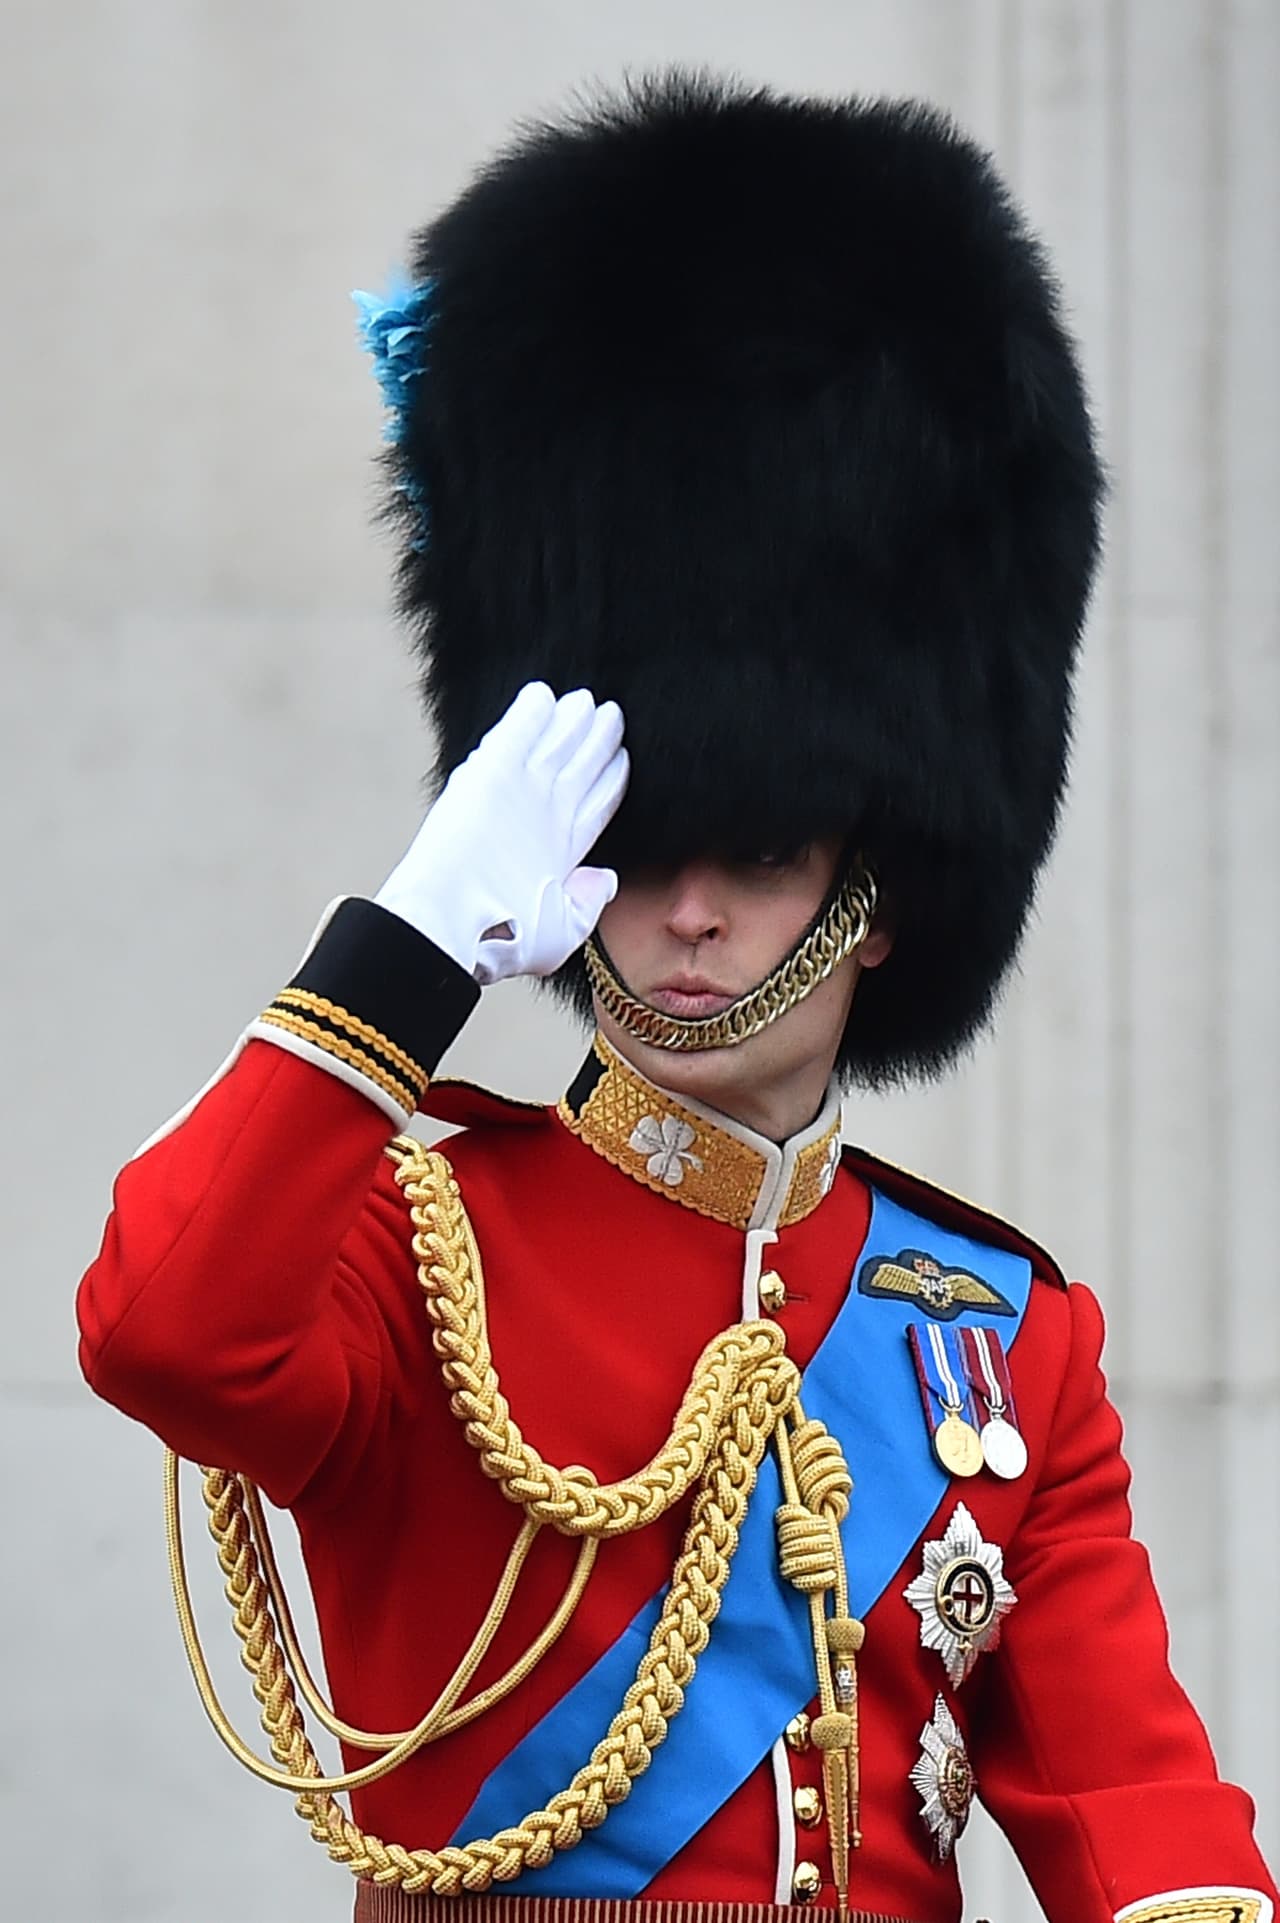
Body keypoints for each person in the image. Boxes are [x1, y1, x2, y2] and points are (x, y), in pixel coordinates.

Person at [77, 72, 1276, 1923]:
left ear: (877, 897)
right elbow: (162, 1330)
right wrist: (407, 945)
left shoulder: (1002, 1341)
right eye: (640, 850)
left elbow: (1135, 1803)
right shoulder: (415, 1245)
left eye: (762, 852)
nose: (690, 911)